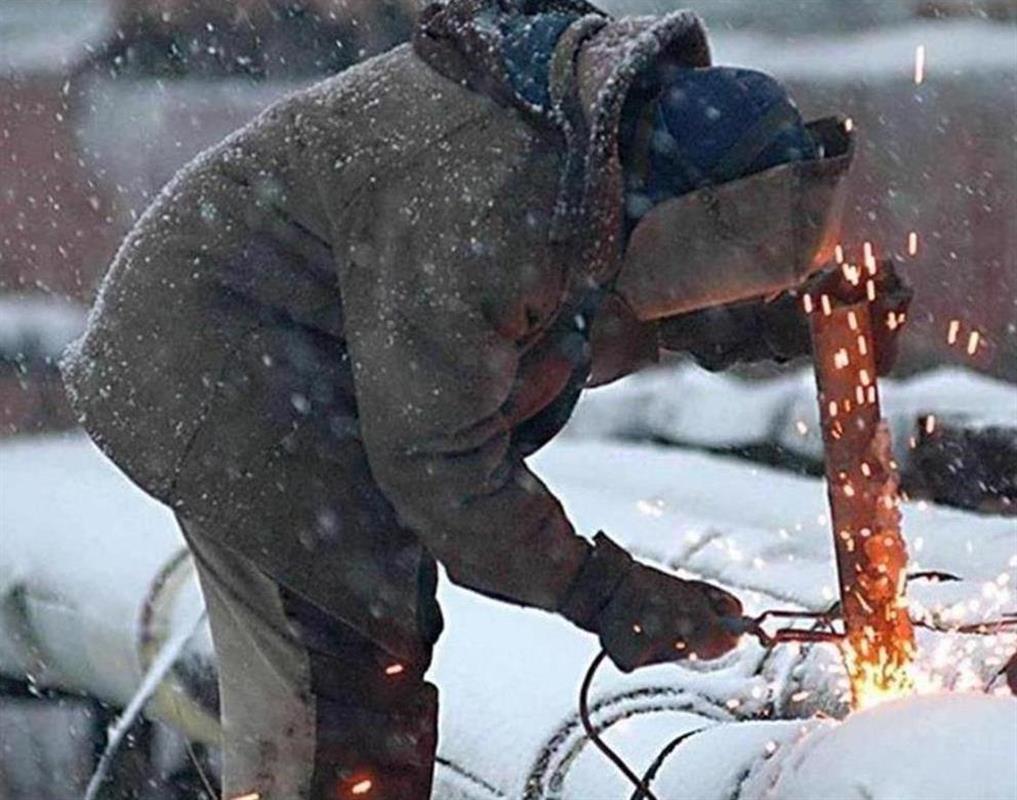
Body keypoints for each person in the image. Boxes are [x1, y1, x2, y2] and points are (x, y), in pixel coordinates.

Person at [62, 1, 910, 797]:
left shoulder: (599, 152)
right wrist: (603, 590)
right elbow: (438, 461)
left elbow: (606, 292)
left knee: (379, 646)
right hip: (227, 370)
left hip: (317, 360)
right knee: (343, 676)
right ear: (669, 201)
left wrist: (767, 319)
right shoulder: (486, 190)